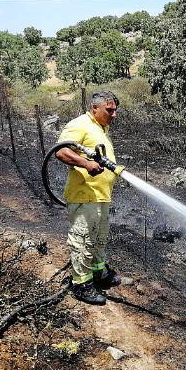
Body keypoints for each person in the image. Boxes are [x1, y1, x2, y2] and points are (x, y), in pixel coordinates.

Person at [55, 91, 123, 305]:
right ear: (95, 108)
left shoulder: (101, 127)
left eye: (115, 110)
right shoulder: (81, 124)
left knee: (99, 239)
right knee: (83, 240)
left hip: (101, 197)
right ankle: (81, 285)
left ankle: (97, 273)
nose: (114, 114)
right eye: (109, 110)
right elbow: (61, 151)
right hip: (84, 196)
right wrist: (85, 164)